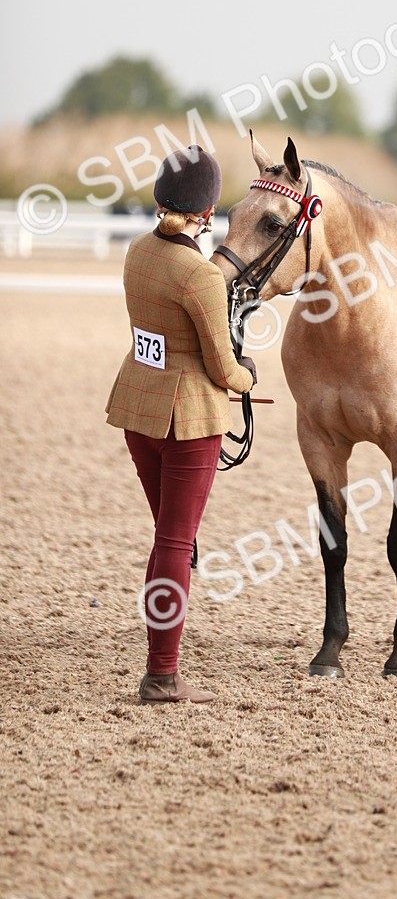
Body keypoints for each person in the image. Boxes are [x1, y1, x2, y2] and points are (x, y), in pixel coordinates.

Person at [106, 146, 256, 704]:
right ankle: (162, 674)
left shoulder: (137, 253)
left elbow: (155, 336)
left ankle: (161, 665)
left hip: (137, 409)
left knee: (170, 537)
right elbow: (222, 367)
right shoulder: (200, 275)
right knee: (175, 542)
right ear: (209, 210)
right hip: (186, 419)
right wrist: (247, 377)